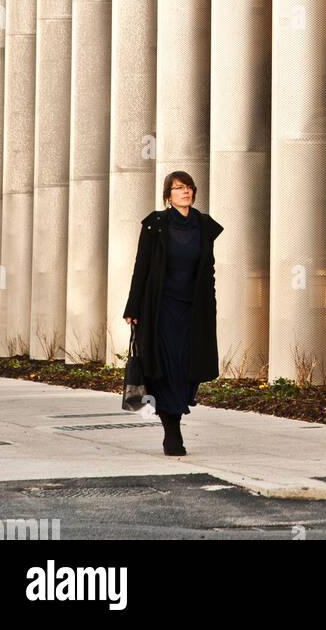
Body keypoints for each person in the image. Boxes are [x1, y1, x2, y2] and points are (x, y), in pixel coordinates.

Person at [123, 173, 223, 456]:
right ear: (168, 194)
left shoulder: (204, 226)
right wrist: (133, 307)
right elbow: (141, 267)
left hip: (194, 310)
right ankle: (172, 432)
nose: (185, 192)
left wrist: (210, 305)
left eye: (189, 187)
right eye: (178, 188)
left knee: (188, 366)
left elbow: (209, 270)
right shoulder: (156, 224)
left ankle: (176, 410)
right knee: (165, 367)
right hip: (161, 309)